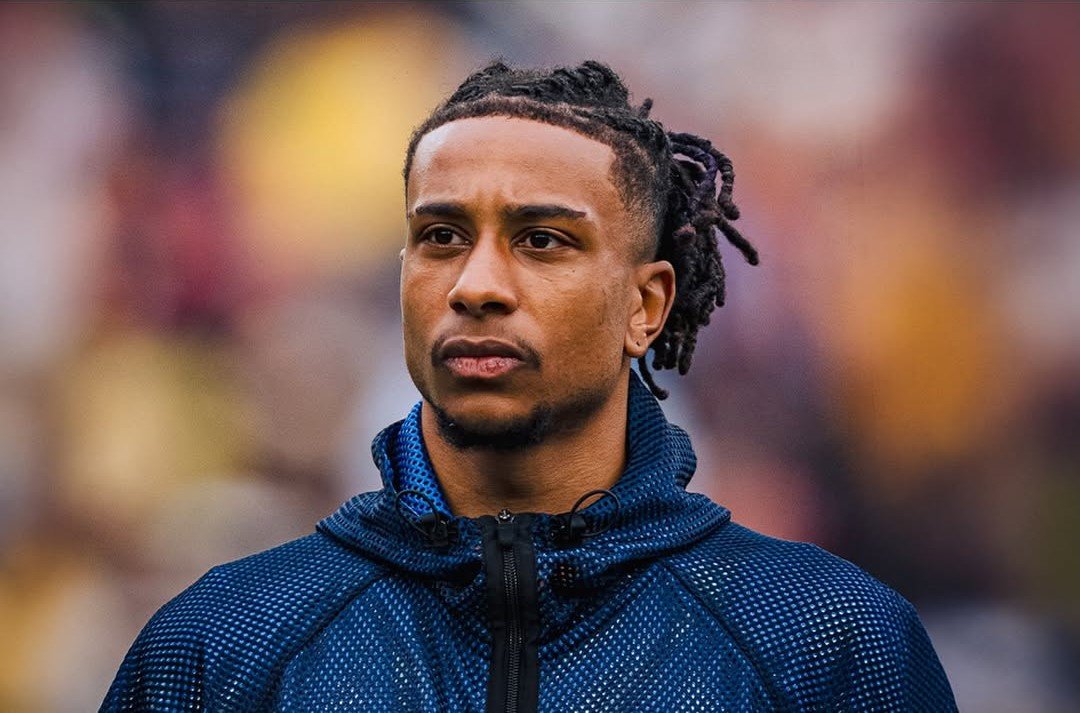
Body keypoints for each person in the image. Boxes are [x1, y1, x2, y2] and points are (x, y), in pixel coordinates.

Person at [101, 60, 957, 712]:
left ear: (646, 303)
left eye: (542, 240)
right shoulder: (221, 646)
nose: (476, 284)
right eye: (440, 235)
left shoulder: (827, 645)